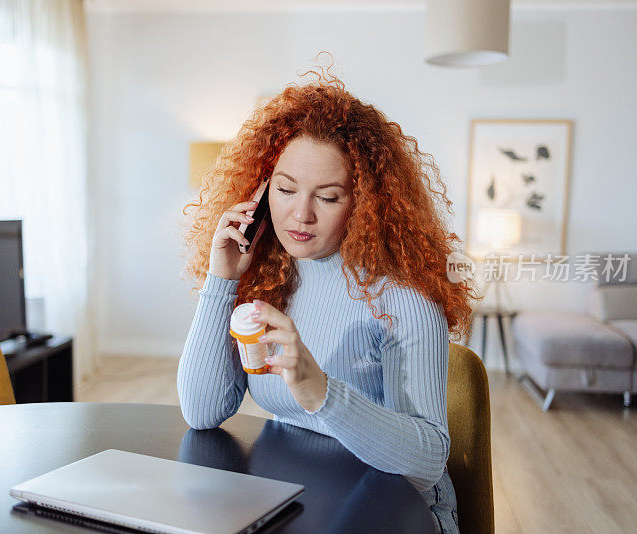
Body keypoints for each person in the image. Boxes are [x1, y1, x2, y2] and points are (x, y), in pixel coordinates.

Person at [177, 61, 478, 534]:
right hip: (298, 495)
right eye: (285, 188)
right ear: (261, 190)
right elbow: (203, 411)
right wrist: (222, 281)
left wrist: (319, 390)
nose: (301, 214)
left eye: (329, 197)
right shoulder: (269, 276)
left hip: (397, 512)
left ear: (364, 204)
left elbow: (424, 463)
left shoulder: (403, 300)